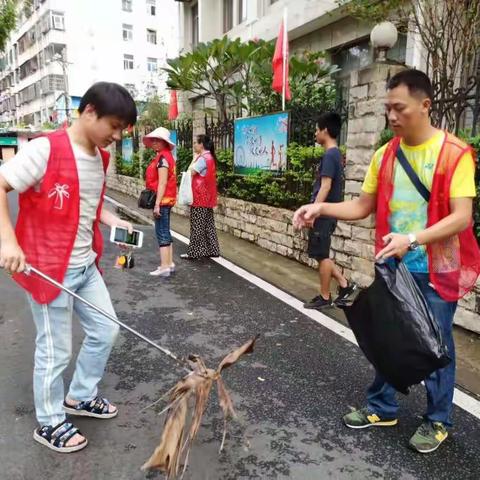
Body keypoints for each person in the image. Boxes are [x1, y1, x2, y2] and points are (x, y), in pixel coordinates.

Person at [293, 69, 480, 453]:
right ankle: (382, 406)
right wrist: (319, 207)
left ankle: (438, 420)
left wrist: (412, 239)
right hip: (393, 266)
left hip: (435, 267)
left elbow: (462, 216)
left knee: (435, 345)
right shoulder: (386, 154)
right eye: (388, 109)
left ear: (425, 105)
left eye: (400, 108)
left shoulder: (455, 153)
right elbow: (363, 206)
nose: (392, 117)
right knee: (386, 337)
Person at [0, 82, 137, 452]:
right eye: (115, 125)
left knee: (106, 330)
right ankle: (48, 421)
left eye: (123, 128)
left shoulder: (101, 158)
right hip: (47, 268)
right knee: (55, 348)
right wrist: (8, 241)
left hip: (85, 265)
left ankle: (79, 396)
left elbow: (89, 203)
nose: (118, 135)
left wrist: (112, 222)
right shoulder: (45, 149)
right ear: (89, 111)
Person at [304, 112, 357, 309]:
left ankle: (325, 297)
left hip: (325, 214)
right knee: (321, 253)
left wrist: (313, 212)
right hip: (328, 213)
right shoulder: (335, 154)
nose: (315, 134)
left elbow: (325, 186)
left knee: (322, 255)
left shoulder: (330, 155)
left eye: (317, 130)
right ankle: (344, 286)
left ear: (325, 130)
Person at [143, 127, 177, 277]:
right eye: (154, 140)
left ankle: (164, 267)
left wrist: (157, 204)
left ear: (165, 142)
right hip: (167, 199)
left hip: (162, 200)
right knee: (165, 230)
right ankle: (169, 263)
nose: (155, 143)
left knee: (161, 232)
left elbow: (162, 183)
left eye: (158, 140)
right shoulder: (166, 156)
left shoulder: (163, 159)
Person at [181, 134, 220, 260]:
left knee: (197, 225)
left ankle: (195, 252)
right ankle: (212, 249)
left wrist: (194, 160)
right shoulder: (209, 157)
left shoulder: (203, 158)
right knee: (208, 224)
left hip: (199, 196)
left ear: (201, 144)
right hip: (207, 196)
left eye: (195, 143)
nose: (194, 145)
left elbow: (190, 172)